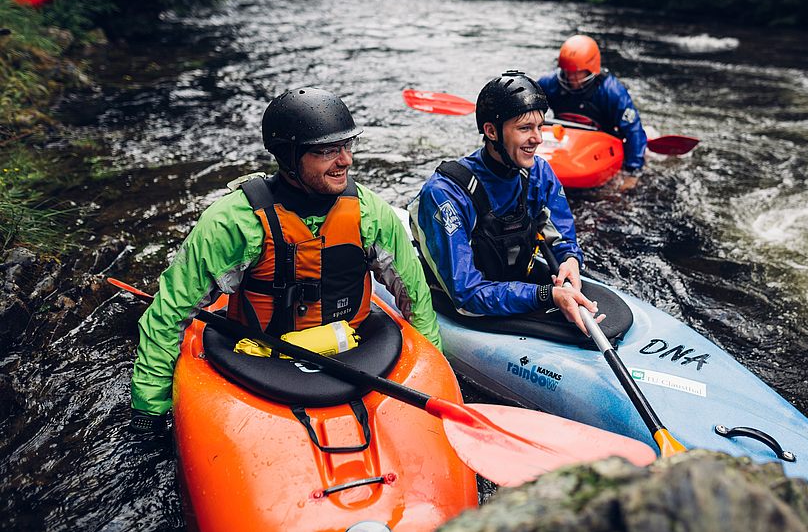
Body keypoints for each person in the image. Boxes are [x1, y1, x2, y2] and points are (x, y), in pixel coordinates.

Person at [128, 87, 442, 434]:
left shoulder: (370, 213)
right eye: (328, 151)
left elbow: (416, 300)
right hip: (258, 358)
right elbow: (169, 315)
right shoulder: (233, 222)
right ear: (289, 157)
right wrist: (149, 413)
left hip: (351, 349)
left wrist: (431, 377)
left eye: (347, 146)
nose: (346, 161)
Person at [410, 71, 603, 334]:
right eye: (525, 128)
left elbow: (561, 236)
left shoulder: (538, 173)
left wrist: (569, 260)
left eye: (539, 126)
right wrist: (546, 295)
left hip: (514, 285)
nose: (538, 139)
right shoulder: (446, 194)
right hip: (464, 304)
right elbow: (466, 294)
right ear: (491, 131)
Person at [537, 34, 648, 191]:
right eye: (567, 72)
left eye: (577, 72)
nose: (571, 78)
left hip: (600, 141)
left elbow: (633, 129)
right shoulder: (549, 83)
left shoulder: (612, 91)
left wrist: (633, 172)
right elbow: (528, 111)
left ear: (591, 69)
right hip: (565, 138)